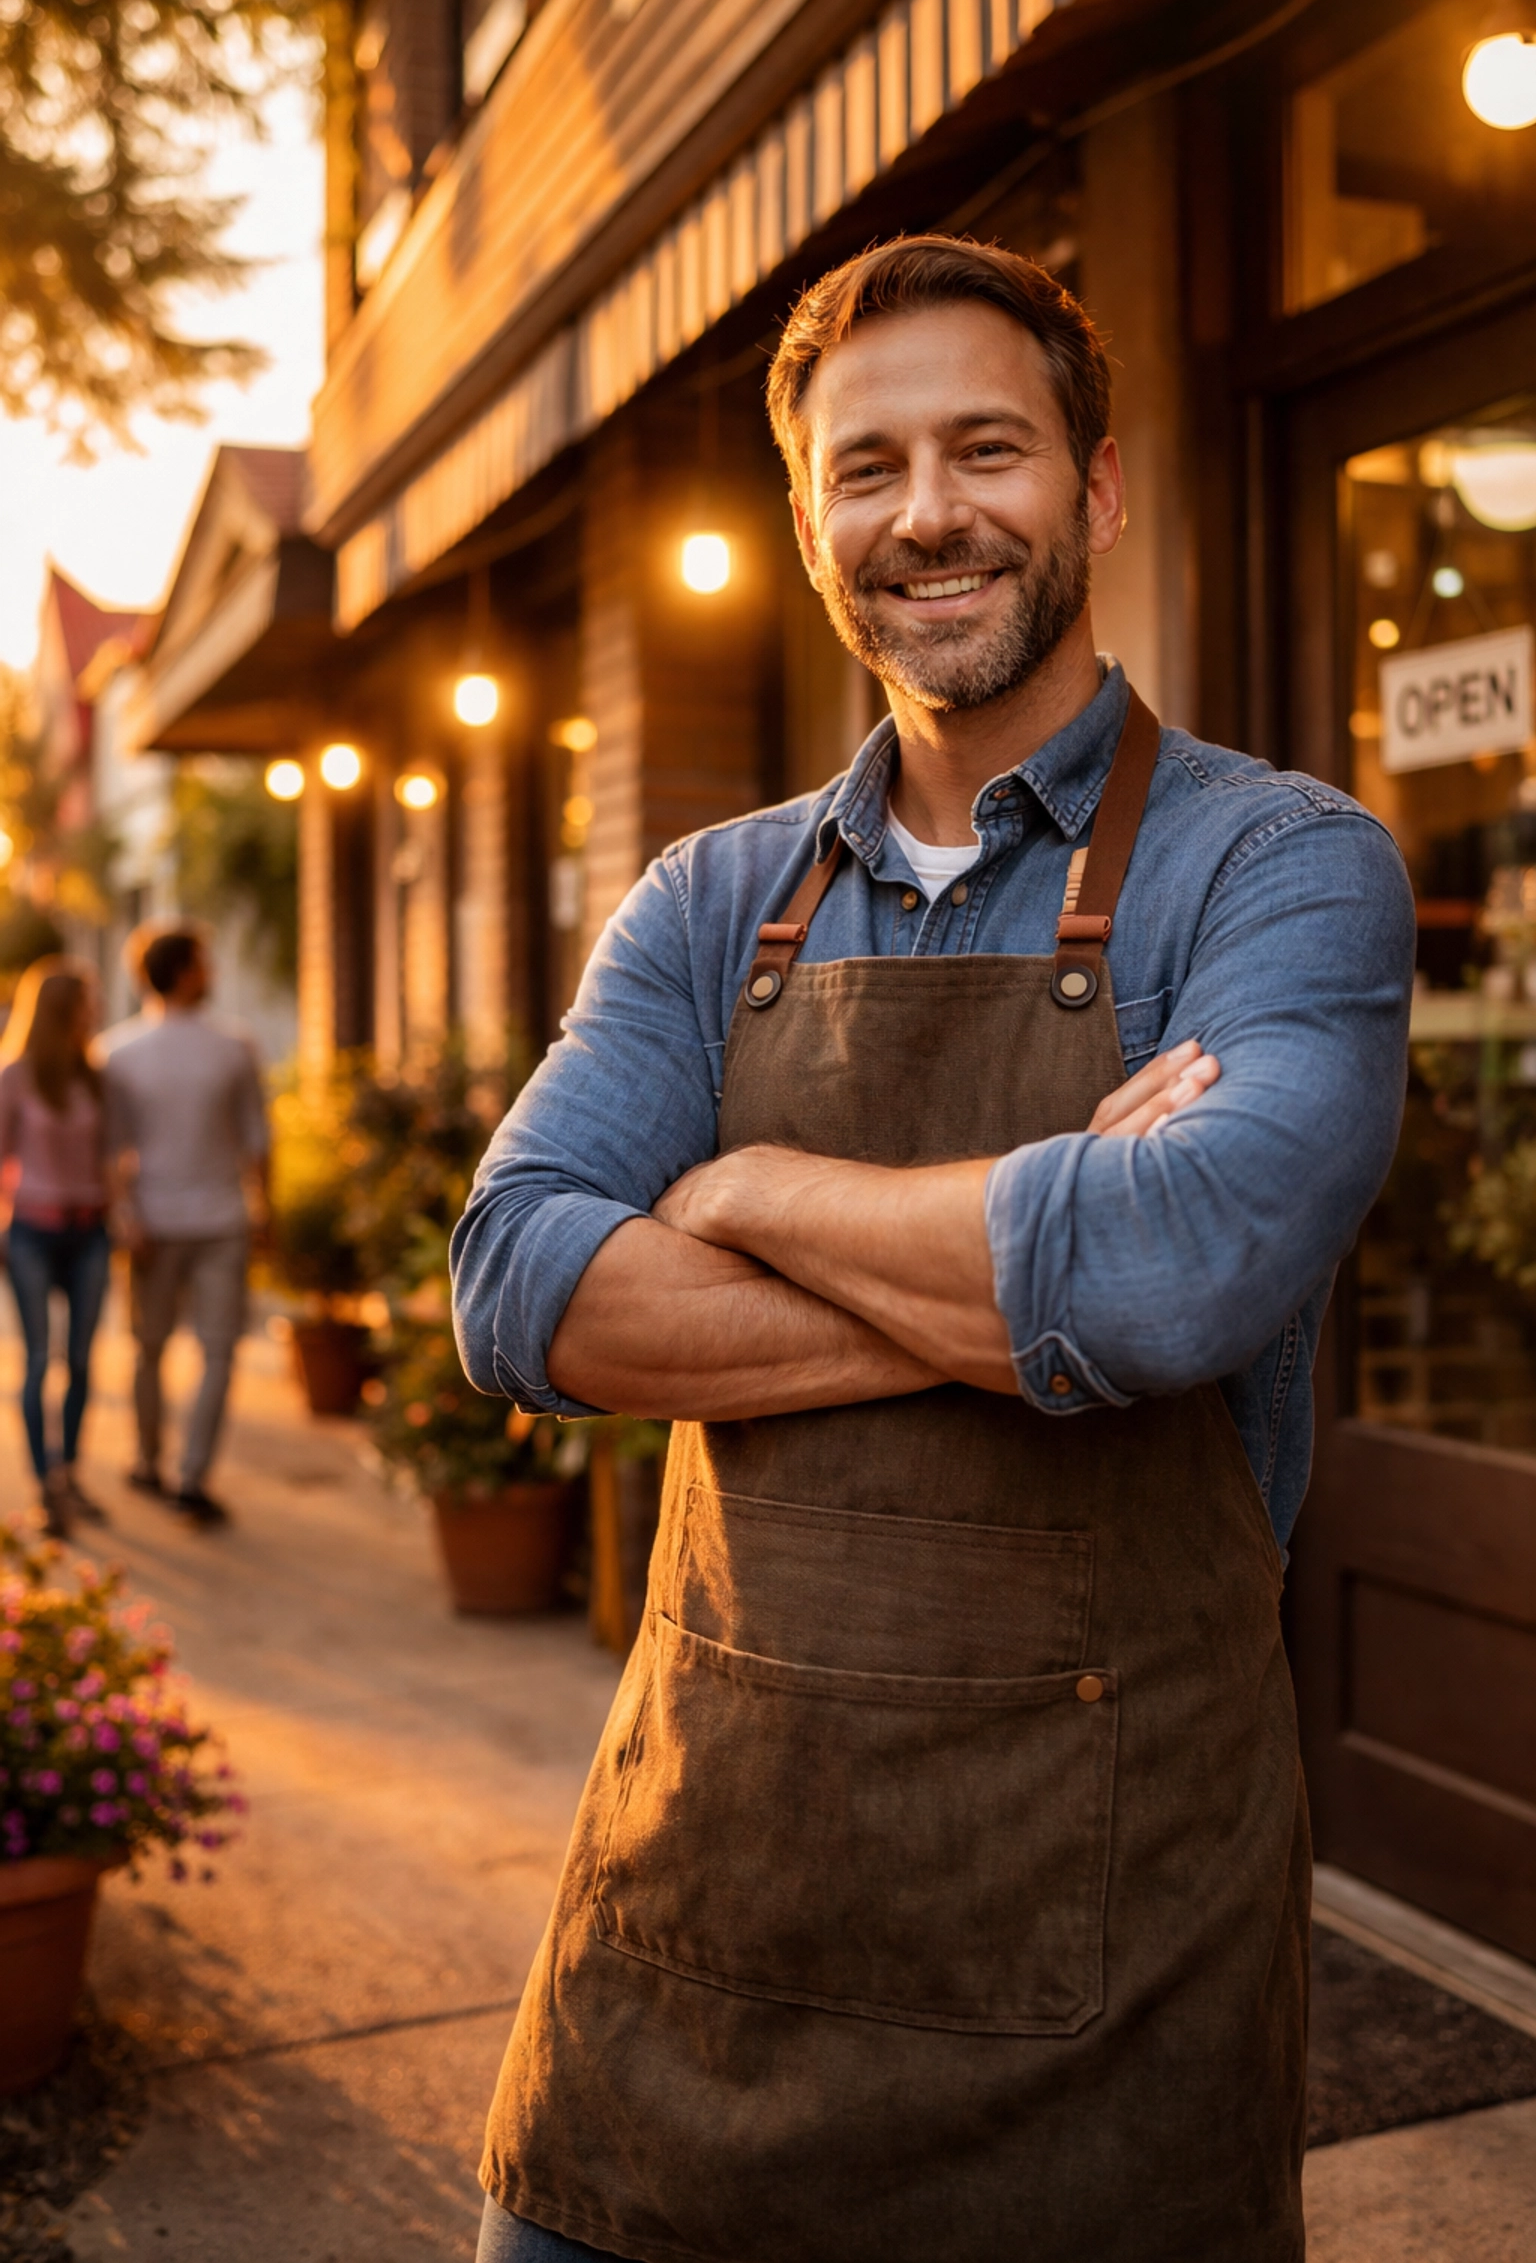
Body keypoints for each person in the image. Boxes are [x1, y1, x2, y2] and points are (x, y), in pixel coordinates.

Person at [452, 238, 1416, 2263]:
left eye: (988, 447)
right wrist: (1042, 1237)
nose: (930, 514)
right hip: (687, 1967)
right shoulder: (713, 902)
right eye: (867, 468)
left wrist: (740, 1193)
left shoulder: (1282, 864)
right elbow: (522, 1288)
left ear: (1102, 487)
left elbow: (1185, 1272)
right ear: (813, 526)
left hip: (1106, 2028)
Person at [101, 923, 269, 1529]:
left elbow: (110, 1151)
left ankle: (151, 1463)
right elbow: (258, 1139)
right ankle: (189, 1477)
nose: (215, 973)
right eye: (205, 963)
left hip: (157, 1221)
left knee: (149, 1349)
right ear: (183, 973)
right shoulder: (234, 1047)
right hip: (217, 1219)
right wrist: (264, 1207)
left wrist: (125, 1216)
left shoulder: (116, 1052)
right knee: (216, 1352)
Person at [0, 957, 113, 1537]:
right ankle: (45, 1483)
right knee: (39, 1358)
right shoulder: (15, 1076)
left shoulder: (93, 1076)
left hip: (89, 1230)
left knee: (83, 1361)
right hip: (32, 1233)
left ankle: (68, 1471)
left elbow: (113, 1157)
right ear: (58, 1013)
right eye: (84, 1006)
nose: (92, 1016)